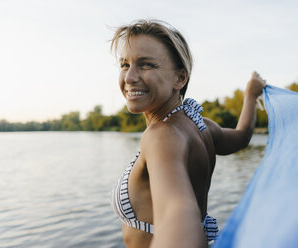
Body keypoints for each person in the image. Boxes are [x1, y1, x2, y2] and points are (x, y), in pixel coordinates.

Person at [111, 19, 266, 248]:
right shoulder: (200, 125)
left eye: (146, 65)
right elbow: (242, 136)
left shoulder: (161, 134)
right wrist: (251, 96)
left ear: (180, 78)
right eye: (125, 64)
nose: (130, 77)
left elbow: (177, 211)